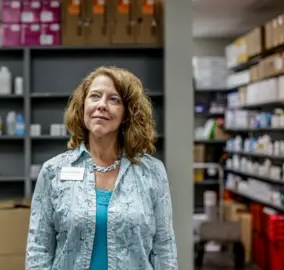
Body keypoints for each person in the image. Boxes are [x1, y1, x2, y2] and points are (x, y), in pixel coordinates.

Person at [25, 66, 177, 269]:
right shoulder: (54, 171)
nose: (102, 105)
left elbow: (164, 248)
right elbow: (38, 249)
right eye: (95, 96)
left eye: (114, 99)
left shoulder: (152, 172)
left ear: (126, 114)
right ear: (82, 107)